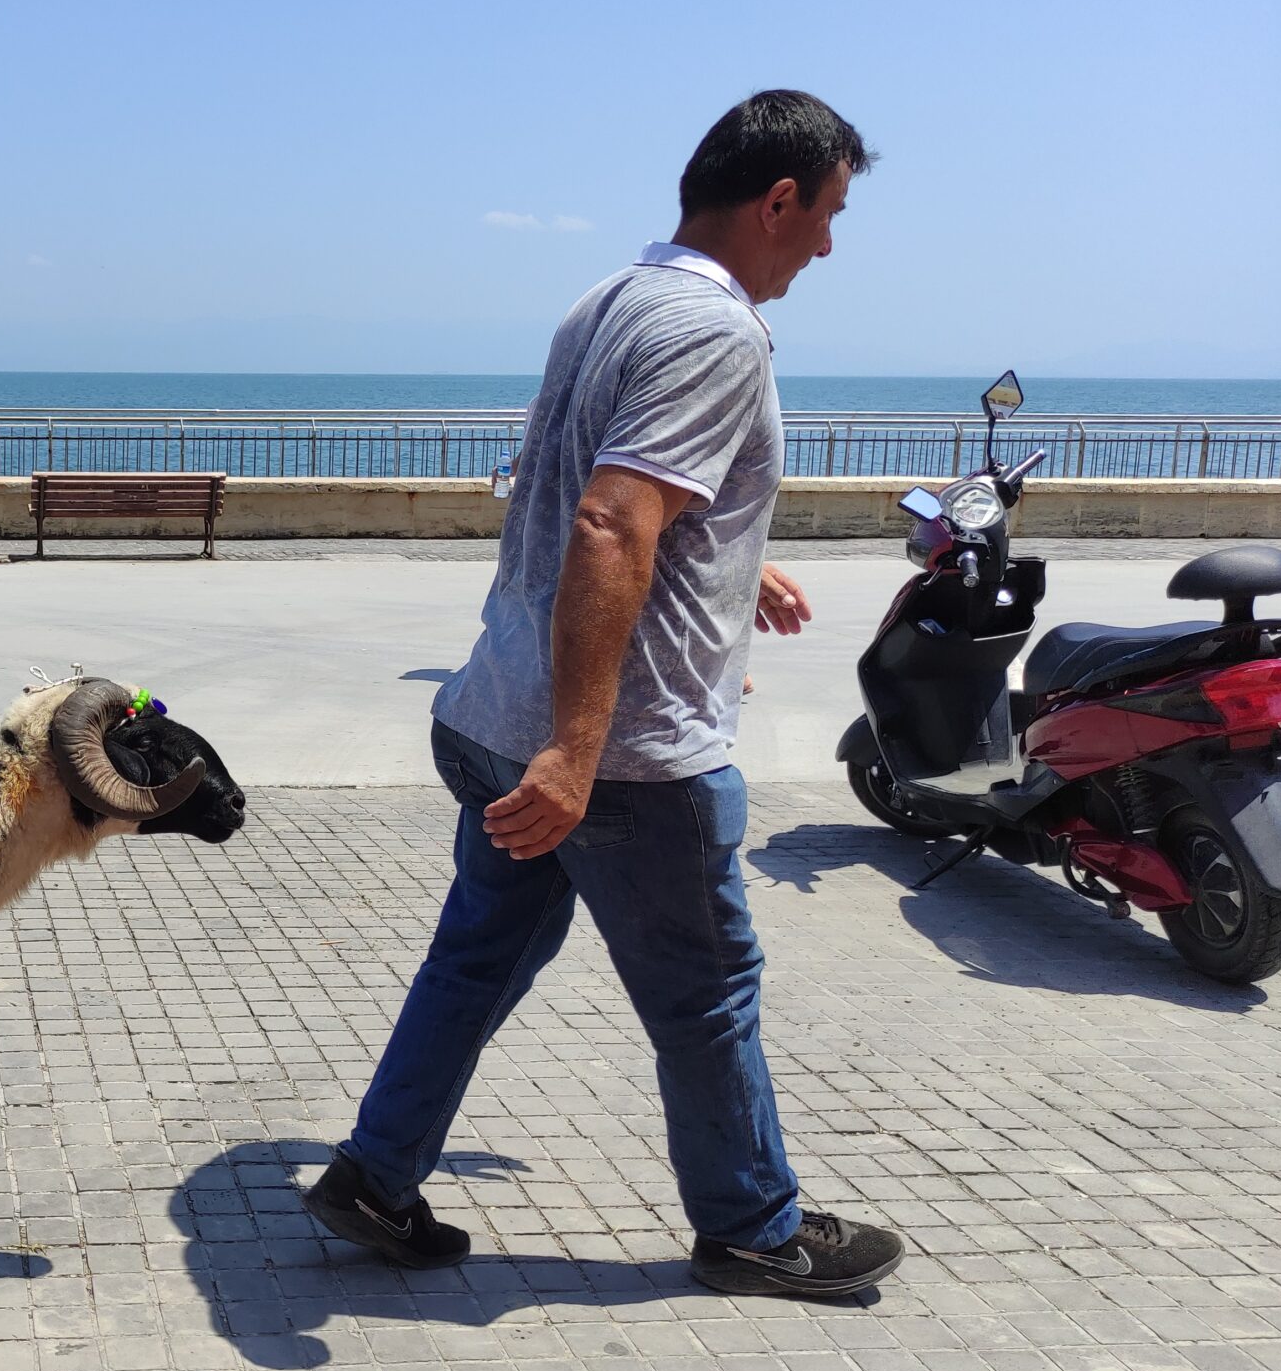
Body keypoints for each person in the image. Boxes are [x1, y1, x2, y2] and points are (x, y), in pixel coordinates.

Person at [307, 90, 905, 1299]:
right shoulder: (714, 332)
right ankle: (752, 1226)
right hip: (621, 762)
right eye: (829, 214)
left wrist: (738, 564)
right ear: (776, 200)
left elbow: (609, 492)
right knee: (706, 994)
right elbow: (608, 516)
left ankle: (375, 1176)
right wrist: (579, 754)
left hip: (495, 719)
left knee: (473, 961)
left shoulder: (610, 299)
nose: (830, 245)